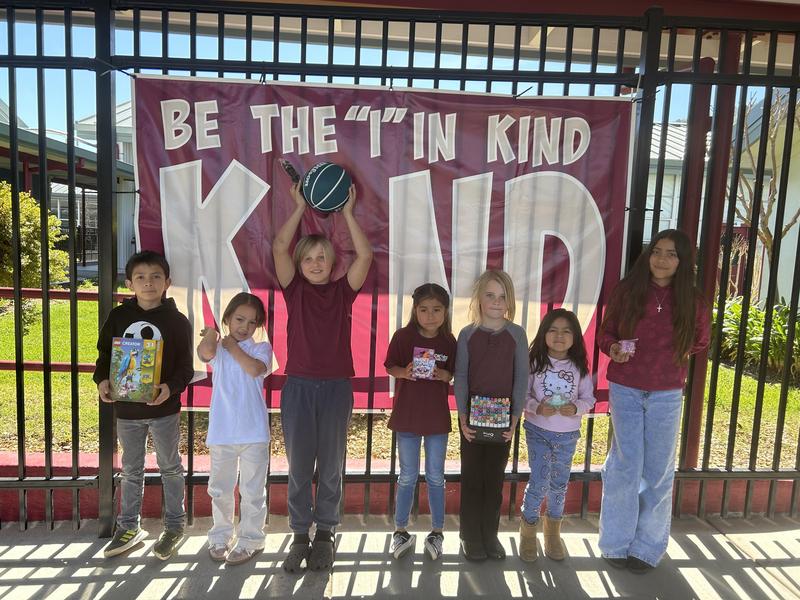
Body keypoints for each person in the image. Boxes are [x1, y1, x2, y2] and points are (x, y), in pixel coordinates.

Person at [272, 181, 373, 572]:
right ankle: (300, 536)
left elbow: (364, 255)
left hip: (335, 388)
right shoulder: (293, 290)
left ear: (332, 263)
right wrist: (299, 206)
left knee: (330, 466)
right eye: (309, 257)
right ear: (300, 264)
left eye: (323, 258)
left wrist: (346, 213)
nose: (316, 263)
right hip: (297, 387)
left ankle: (326, 534)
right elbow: (280, 247)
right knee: (299, 467)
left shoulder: (342, 292)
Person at [598, 229, 710, 573]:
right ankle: (615, 543)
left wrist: (670, 357)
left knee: (659, 470)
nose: (662, 259)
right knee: (625, 465)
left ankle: (647, 548)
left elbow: (700, 340)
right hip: (626, 388)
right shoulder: (627, 291)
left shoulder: (693, 300)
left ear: (683, 261)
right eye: (657, 251)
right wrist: (613, 349)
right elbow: (606, 333)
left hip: (666, 392)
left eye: (671, 254)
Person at [94, 250, 193, 560]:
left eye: (155, 277)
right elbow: (104, 358)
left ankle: (174, 526)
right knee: (131, 470)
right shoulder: (118, 317)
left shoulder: (177, 321)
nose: (148, 283)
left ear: (167, 282)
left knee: (170, 468)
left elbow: (185, 369)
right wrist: (102, 382)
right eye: (140, 277)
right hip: (127, 410)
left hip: (164, 410)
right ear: (129, 283)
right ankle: (129, 527)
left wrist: (169, 389)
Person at [454, 269, 528, 561]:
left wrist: (514, 418)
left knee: (494, 479)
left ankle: (490, 536)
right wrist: (462, 416)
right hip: (473, 419)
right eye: (490, 295)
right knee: (472, 478)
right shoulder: (467, 334)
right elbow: (461, 376)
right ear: (479, 299)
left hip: (502, 420)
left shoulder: (517, 334)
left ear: (509, 300)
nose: (496, 302)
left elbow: (521, 378)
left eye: (502, 296)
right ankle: (470, 537)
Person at [197, 292, 272, 565]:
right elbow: (204, 353)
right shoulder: (219, 349)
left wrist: (231, 346)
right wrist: (213, 336)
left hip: (254, 434)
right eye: (239, 319)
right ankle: (220, 535)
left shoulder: (260, 348)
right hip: (222, 432)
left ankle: (251, 538)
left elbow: (254, 370)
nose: (244, 326)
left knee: (253, 490)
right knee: (220, 488)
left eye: (252, 322)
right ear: (227, 319)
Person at [384, 283, 457, 561]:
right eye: (424, 309)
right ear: (415, 310)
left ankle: (437, 531)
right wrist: (403, 371)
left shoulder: (449, 341)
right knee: (407, 476)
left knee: (436, 476)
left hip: (437, 420)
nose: (430, 315)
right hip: (407, 418)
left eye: (436, 309)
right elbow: (390, 366)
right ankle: (400, 530)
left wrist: (444, 376)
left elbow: (455, 372)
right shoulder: (403, 337)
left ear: (445, 311)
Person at [518, 308, 595, 562]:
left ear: (575, 337)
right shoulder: (534, 363)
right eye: (553, 330)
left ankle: (552, 533)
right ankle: (528, 532)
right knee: (539, 481)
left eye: (566, 331)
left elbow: (588, 398)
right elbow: (523, 396)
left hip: (568, 435)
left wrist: (576, 408)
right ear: (543, 334)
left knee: (559, 485)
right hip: (538, 431)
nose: (559, 336)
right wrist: (536, 407)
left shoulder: (579, 367)